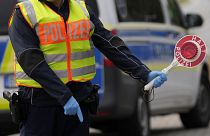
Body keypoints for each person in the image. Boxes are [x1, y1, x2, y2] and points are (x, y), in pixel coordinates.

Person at [8, 0, 167, 135]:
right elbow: (30, 59)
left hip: (79, 99)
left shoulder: (81, 9)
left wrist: (144, 72)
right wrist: (64, 96)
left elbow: (109, 43)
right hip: (40, 104)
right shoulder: (25, 12)